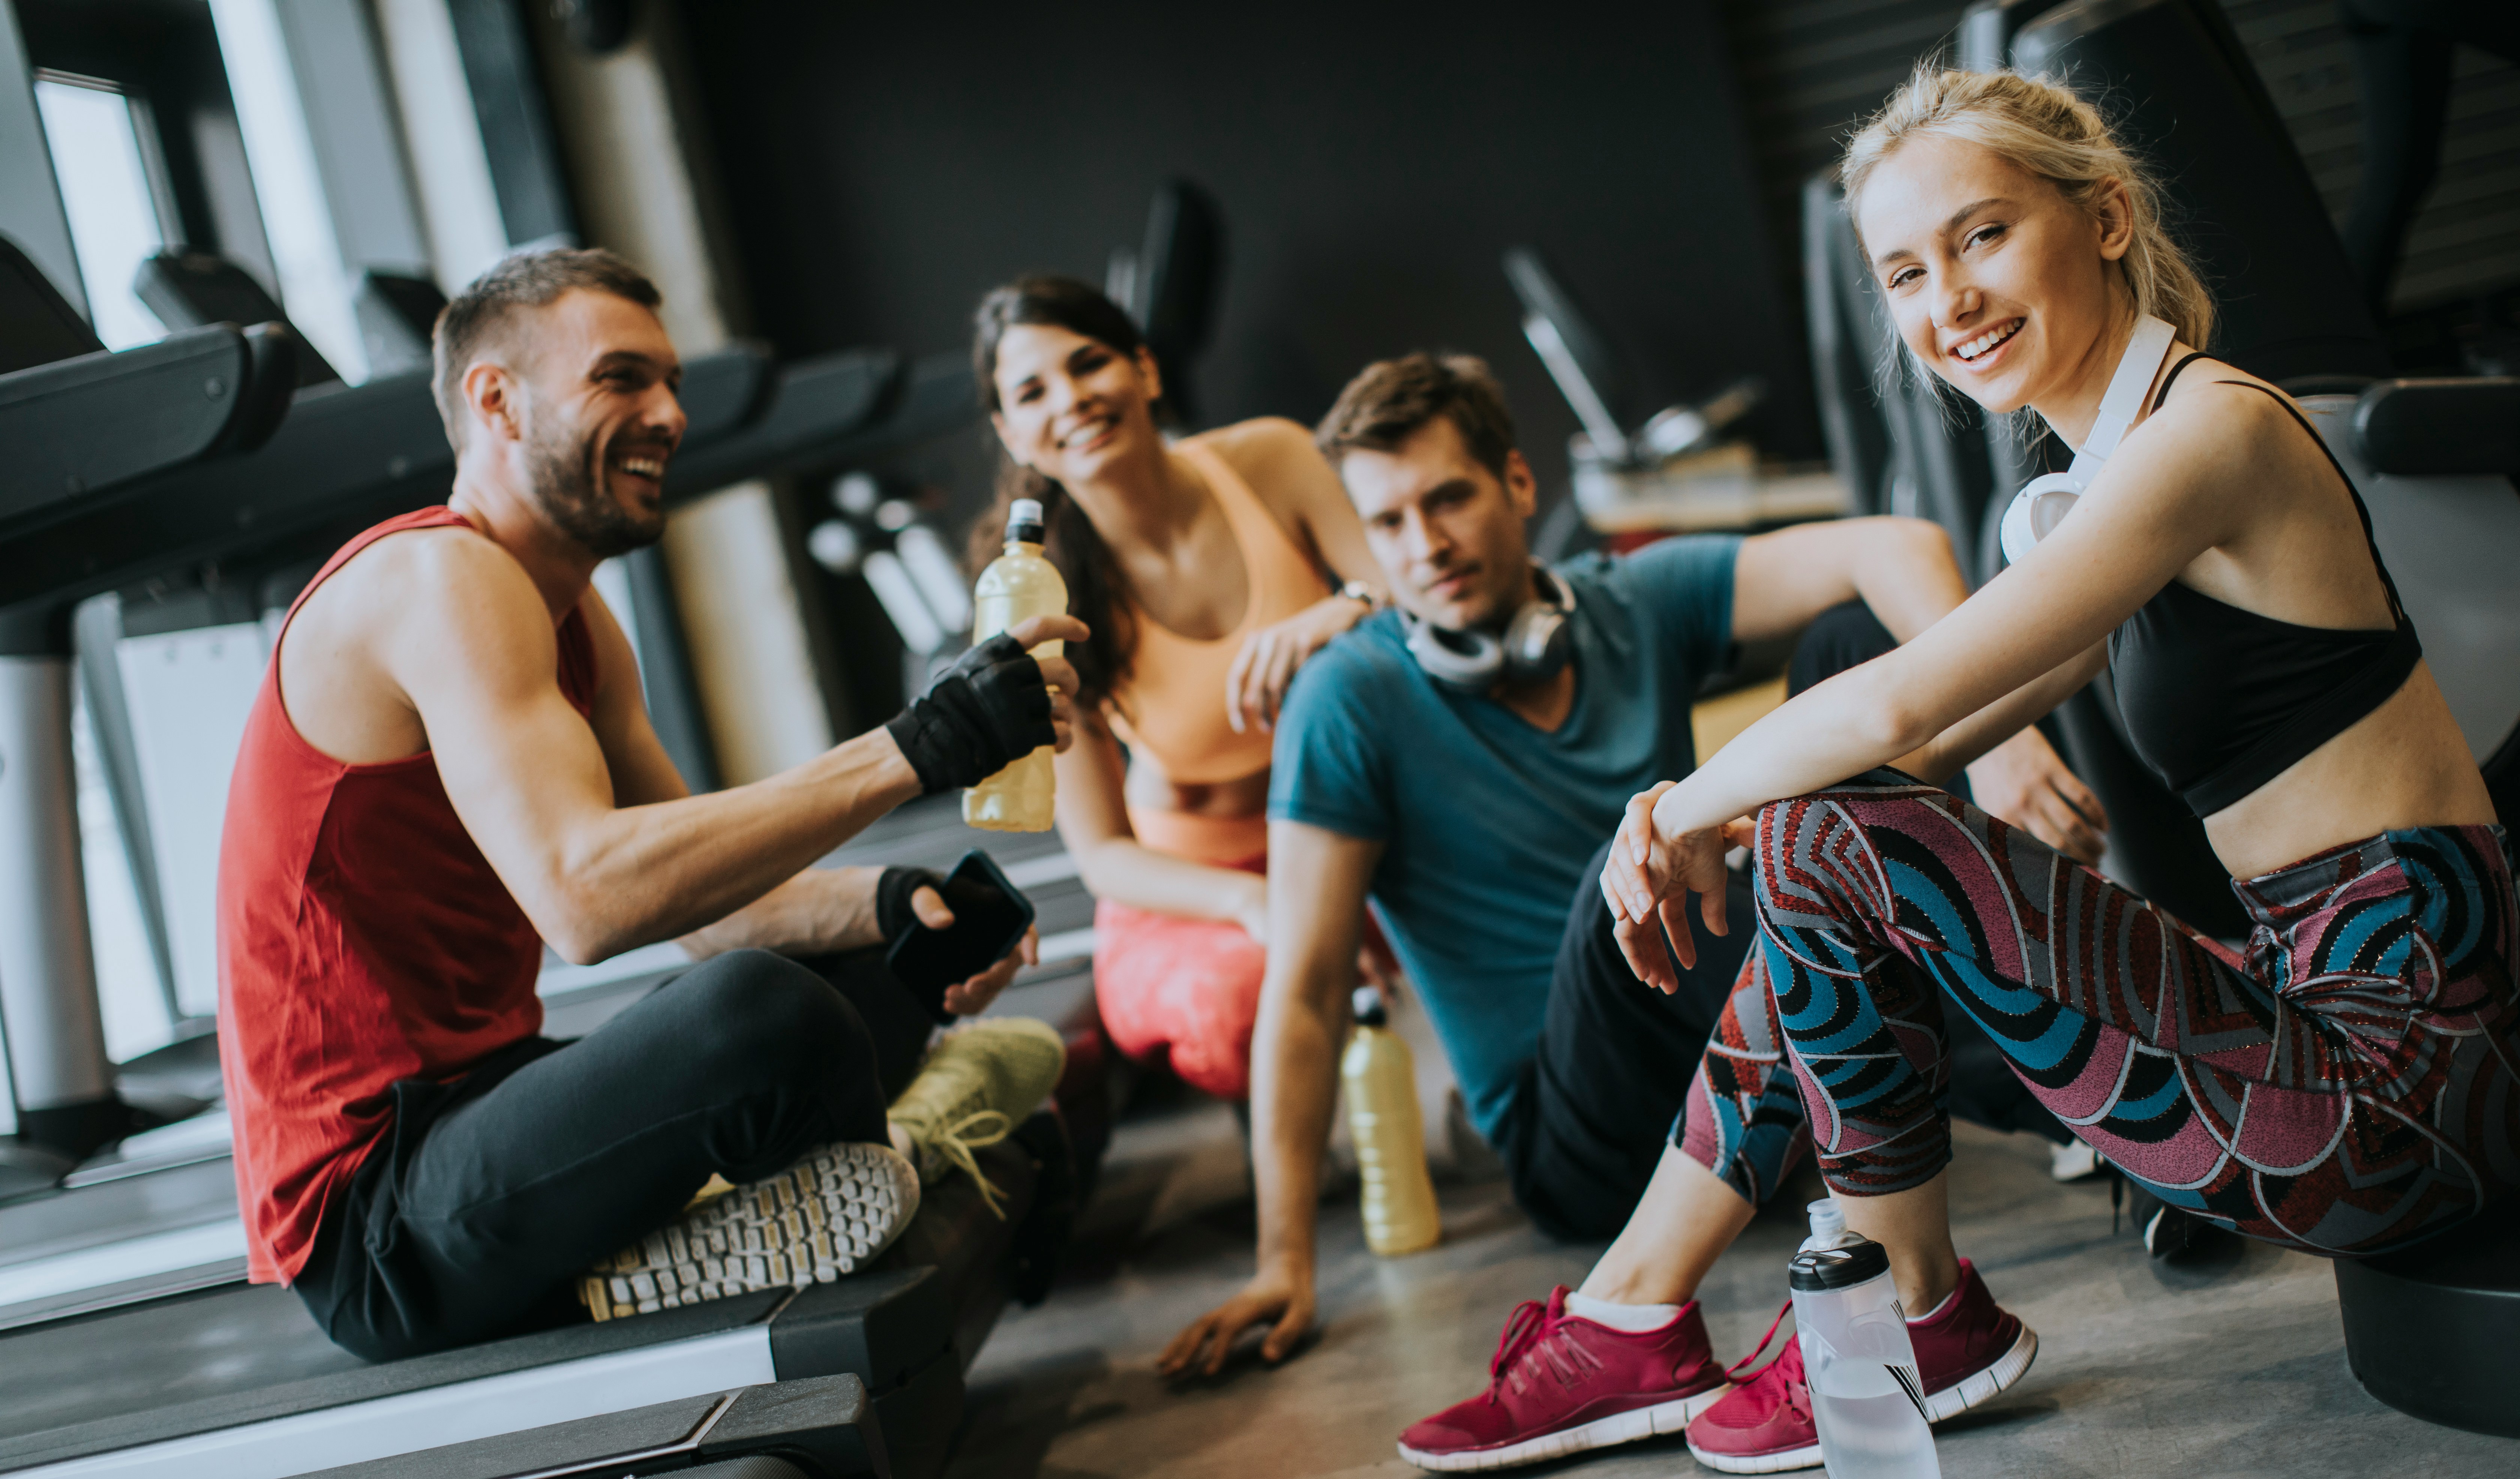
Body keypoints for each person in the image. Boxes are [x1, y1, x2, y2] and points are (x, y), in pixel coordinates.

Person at [1428, 62, 2520, 1479]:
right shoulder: (2098, 483)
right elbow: (1920, 755)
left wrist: (1673, 808)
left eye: (1983, 235)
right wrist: (1739, 832)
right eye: (1904, 269)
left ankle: (1866, 1317)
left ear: (2109, 218)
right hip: (2337, 1044)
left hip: (2407, 1100)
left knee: (1824, 833)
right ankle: (1651, 1311)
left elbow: (1897, 694)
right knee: (1817, 845)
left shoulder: (2216, 435)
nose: (1948, 299)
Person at [1159, 350, 2111, 1405]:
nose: (1425, 546)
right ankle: (2090, 1081)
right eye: (1388, 524)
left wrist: (1997, 743)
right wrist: (1280, 1262)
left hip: (1729, 1021)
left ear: (1518, 486)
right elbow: (1302, 988)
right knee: (1639, 868)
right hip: (1578, 1137)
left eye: (1449, 499)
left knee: (1857, 640)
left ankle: (2075, 1074)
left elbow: (1894, 545)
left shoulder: (1628, 600)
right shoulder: (1349, 698)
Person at [217, 249, 1088, 1362]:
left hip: (493, 1118)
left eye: (670, 383)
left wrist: (894, 905)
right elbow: (587, 900)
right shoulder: (437, 579)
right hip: (379, 1230)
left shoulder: (576, 620)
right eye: (621, 379)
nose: (669, 414)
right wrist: (922, 747)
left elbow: (706, 907)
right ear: (496, 399)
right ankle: (750, 1210)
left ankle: (747, 1207)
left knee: (862, 973)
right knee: (758, 1016)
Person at [974, 276, 1390, 1102]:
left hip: (1363, 835)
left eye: (1090, 364)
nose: (1072, 399)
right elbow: (1103, 855)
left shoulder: (1270, 460)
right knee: (1240, 999)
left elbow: (1410, 599)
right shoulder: (1037, 588)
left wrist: (1335, 614)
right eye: (1033, 390)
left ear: (1146, 371)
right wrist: (1254, 901)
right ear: (1010, 431)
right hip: (1199, 889)